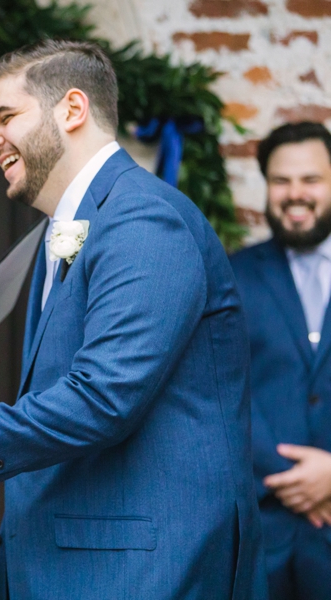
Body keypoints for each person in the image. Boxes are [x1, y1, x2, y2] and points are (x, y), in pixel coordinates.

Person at [0, 40, 267, 599]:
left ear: (72, 109)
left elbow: (103, 399)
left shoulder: (142, 221)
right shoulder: (67, 228)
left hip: (140, 569)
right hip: (68, 562)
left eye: (5, 117)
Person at [229, 122, 331, 600]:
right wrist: (289, 480)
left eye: (311, 179)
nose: (295, 194)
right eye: (281, 180)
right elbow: (222, 389)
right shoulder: (233, 275)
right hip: (263, 539)